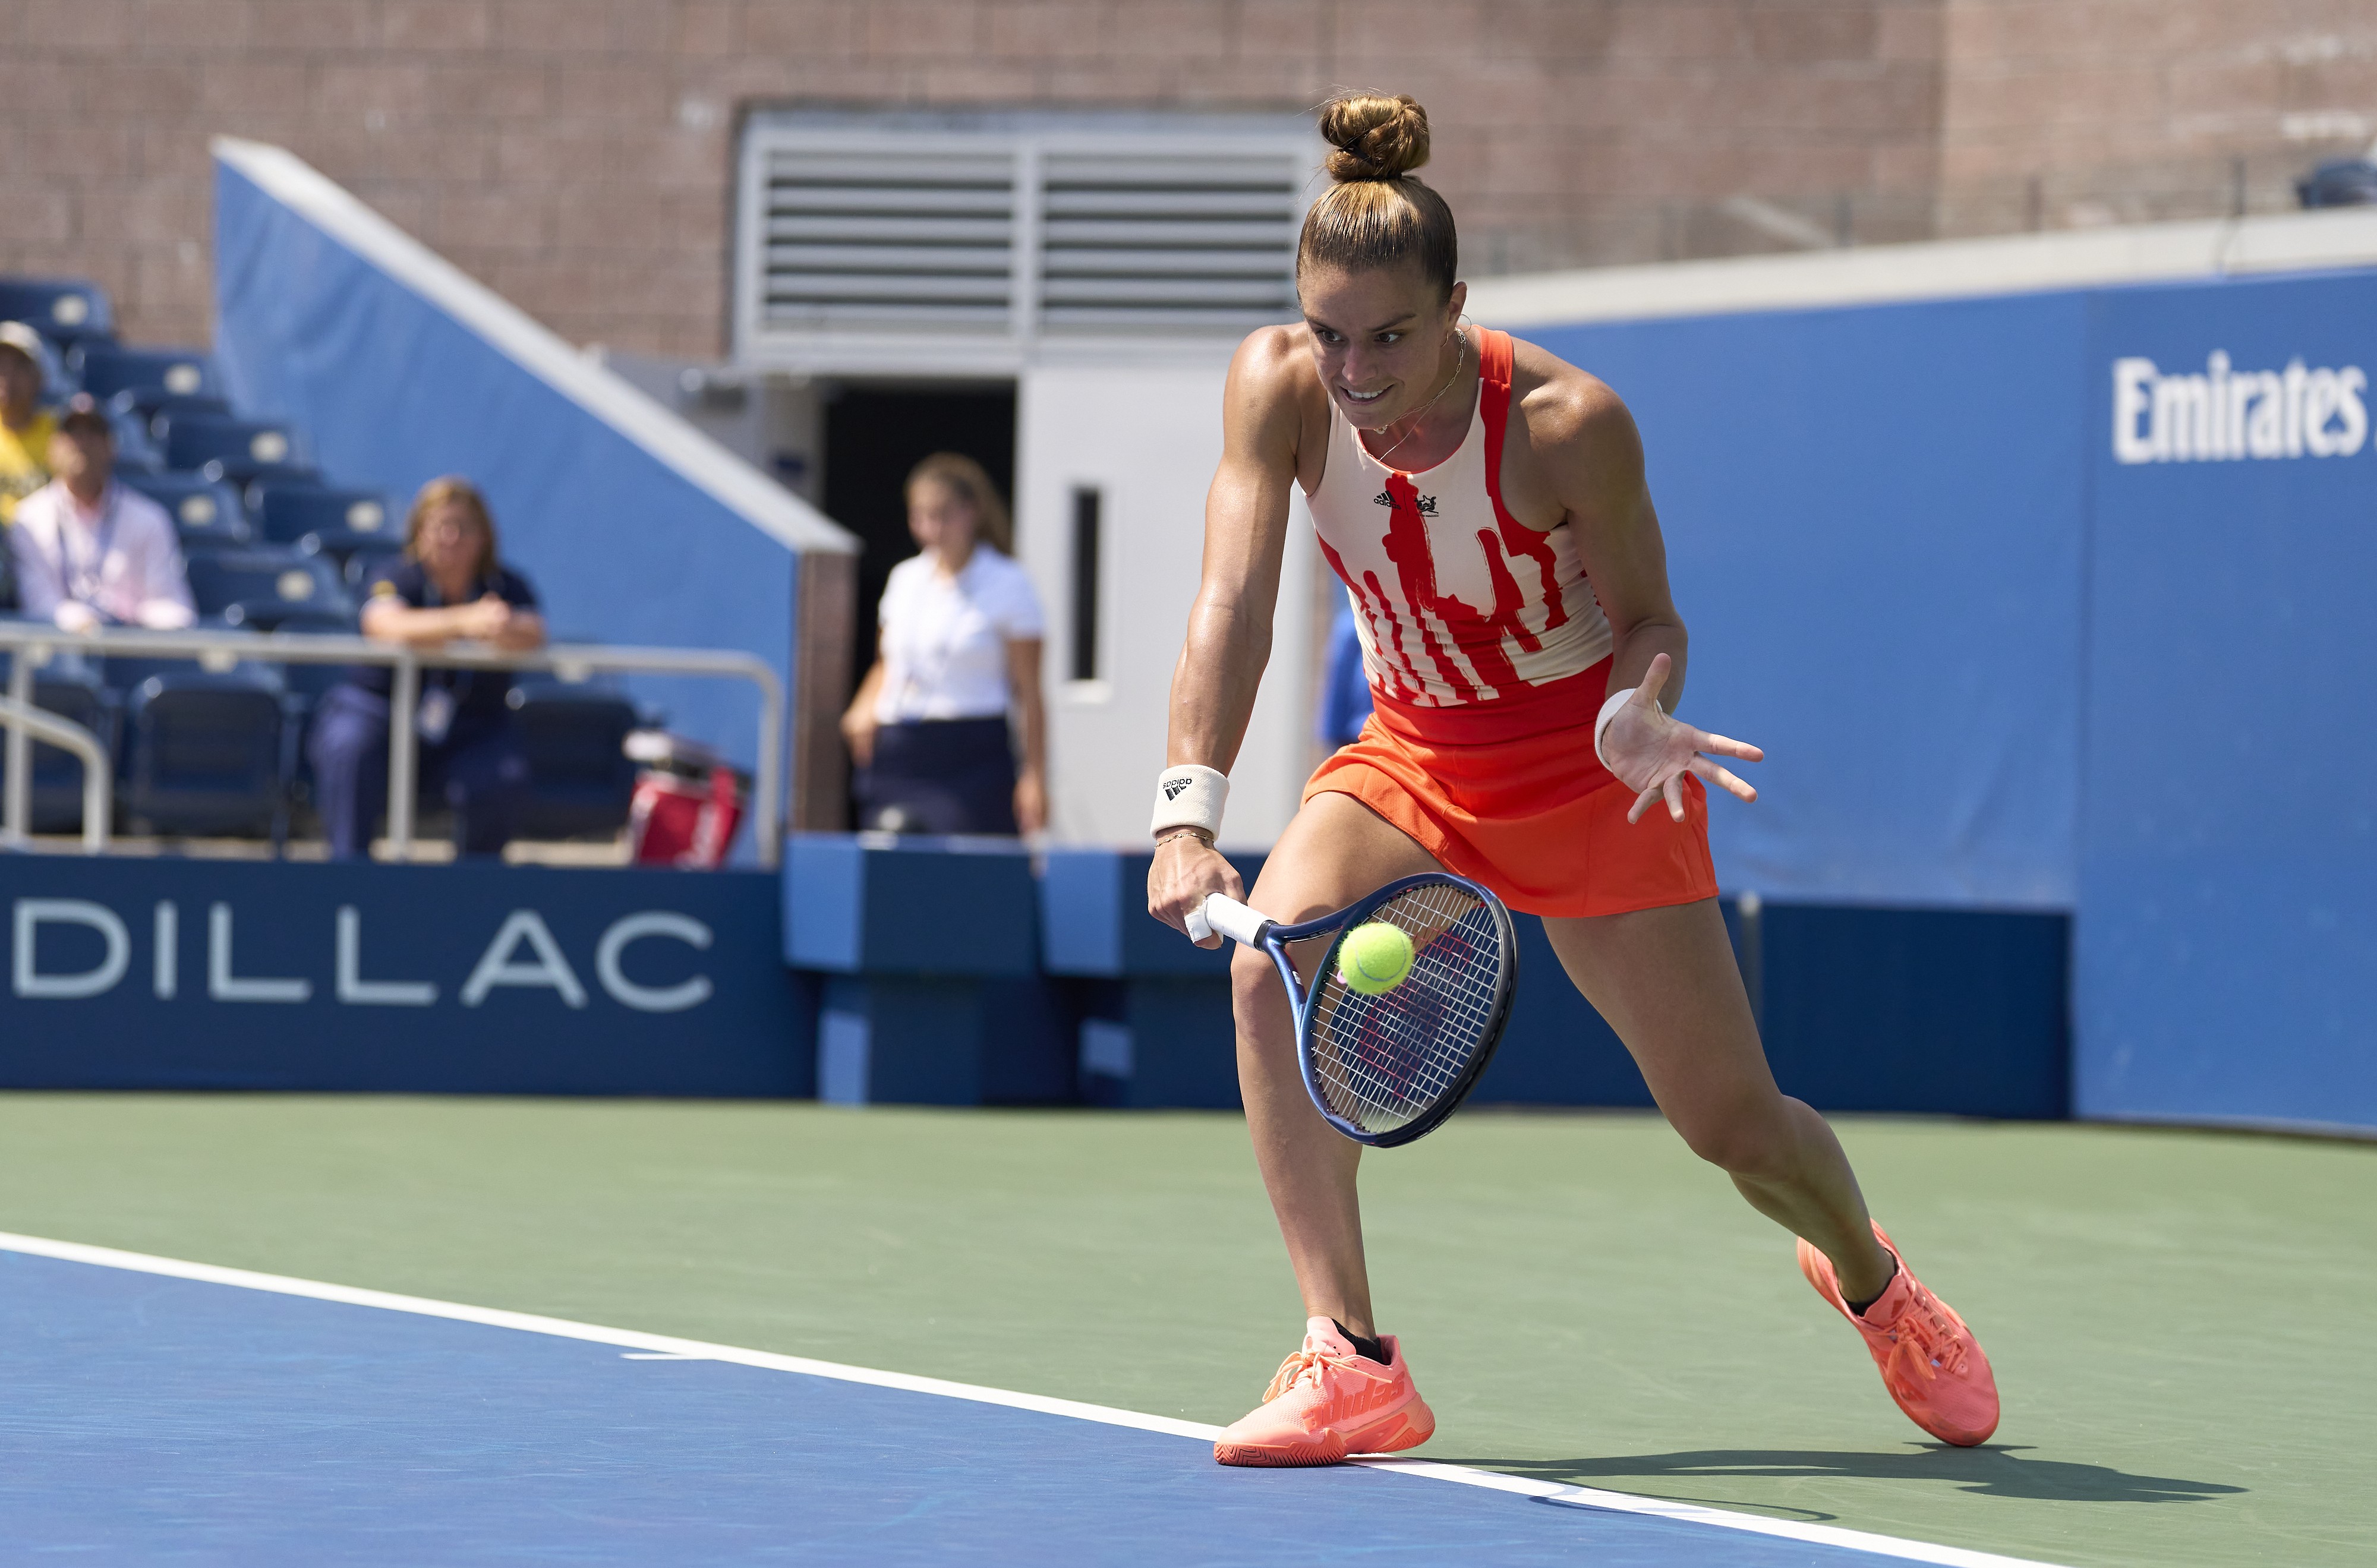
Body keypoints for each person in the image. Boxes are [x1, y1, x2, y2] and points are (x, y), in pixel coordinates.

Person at [1147, 94, 1998, 1469]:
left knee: (1735, 1131)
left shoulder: (1564, 422)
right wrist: (1185, 813)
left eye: (1389, 335)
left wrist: (1637, 708)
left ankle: (1873, 1280)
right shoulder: (1277, 390)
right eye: (1328, 332)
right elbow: (1230, 604)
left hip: (1591, 779)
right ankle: (1351, 1359)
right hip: (1411, 754)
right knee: (1269, 961)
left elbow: (1650, 619)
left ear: (1455, 306)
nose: (1354, 370)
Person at [307, 477, 543, 860]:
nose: (451, 538)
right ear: (420, 533)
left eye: (464, 528)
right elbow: (383, 625)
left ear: (485, 536)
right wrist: (466, 622)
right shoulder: (395, 575)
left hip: (469, 726)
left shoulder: (505, 585)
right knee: (348, 746)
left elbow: (533, 630)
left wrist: (501, 626)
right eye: (440, 527)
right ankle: (348, 879)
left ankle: (471, 891)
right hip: (380, 713)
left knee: (503, 775)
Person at [841, 452, 1047, 836]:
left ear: (971, 513)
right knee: (890, 869)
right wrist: (863, 705)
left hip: (972, 750)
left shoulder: (1009, 582)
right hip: (900, 748)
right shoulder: (905, 577)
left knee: (968, 877)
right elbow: (887, 663)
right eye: (919, 515)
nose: (929, 528)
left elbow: (1030, 690)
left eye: (941, 514)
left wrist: (1034, 776)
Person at [7, 399, 194, 632]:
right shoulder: (28, 519)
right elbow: (39, 602)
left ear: (111, 447)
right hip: (58, 652)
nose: (82, 443)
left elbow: (173, 607)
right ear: (51, 449)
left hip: (133, 651)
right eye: (72, 433)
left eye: (93, 432)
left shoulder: (150, 518)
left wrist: (124, 622)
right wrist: (85, 623)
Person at [0, 322, 58, 528]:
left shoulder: (62, 433)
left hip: (46, 551)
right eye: (1, 365)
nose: (7, 377)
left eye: (19, 366)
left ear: (39, 377)